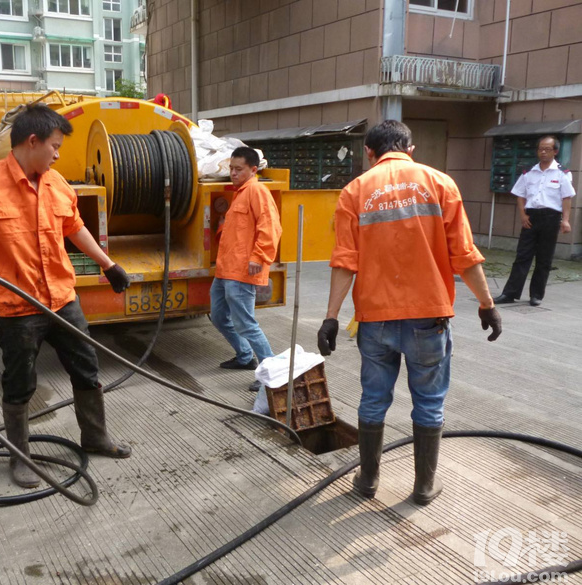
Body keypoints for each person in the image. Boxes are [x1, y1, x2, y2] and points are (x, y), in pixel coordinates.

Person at [0, 104, 132, 489]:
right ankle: (20, 456)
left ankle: (95, 436)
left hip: (63, 301)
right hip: (17, 308)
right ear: (32, 141)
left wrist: (108, 264)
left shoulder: (56, 183)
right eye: (54, 146)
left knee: (87, 369)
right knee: (20, 382)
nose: (57, 154)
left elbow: (75, 228)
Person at [316, 120, 502, 506]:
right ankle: (423, 487)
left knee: (372, 400)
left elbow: (344, 262)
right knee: (430, 402)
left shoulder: (355, 192)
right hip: (427, 318)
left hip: (375, 319)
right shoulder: (440, 184)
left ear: (369, 152)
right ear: (410, 148)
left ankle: (367, 482)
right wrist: (487, 304)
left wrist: (331, 317)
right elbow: (465, 257)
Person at [210, 146, 282, 392]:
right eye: (231, 168)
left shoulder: (257, 191)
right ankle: (244, 356)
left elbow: (271, 227)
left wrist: (259, 257)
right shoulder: (240, 193)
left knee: (246, 323)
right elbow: (241, 231)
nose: (233, 173)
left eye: (238, 169)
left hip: (243, 270)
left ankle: (270, 372)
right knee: (218, 315)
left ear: (253, 170)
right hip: (226, 269)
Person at [494, 136, 575, 307]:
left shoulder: (563, 173)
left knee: (544, 258)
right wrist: (523, 216)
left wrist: (565, 220)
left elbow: (566, 198)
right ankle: (510, 293)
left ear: (555, 151)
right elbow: (520, 195)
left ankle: (536, 295)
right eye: (540, 149)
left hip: (551, 217)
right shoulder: (528, 172)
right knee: (522, 256)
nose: (543, 152)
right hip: (531, 217)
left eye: (547, 149)